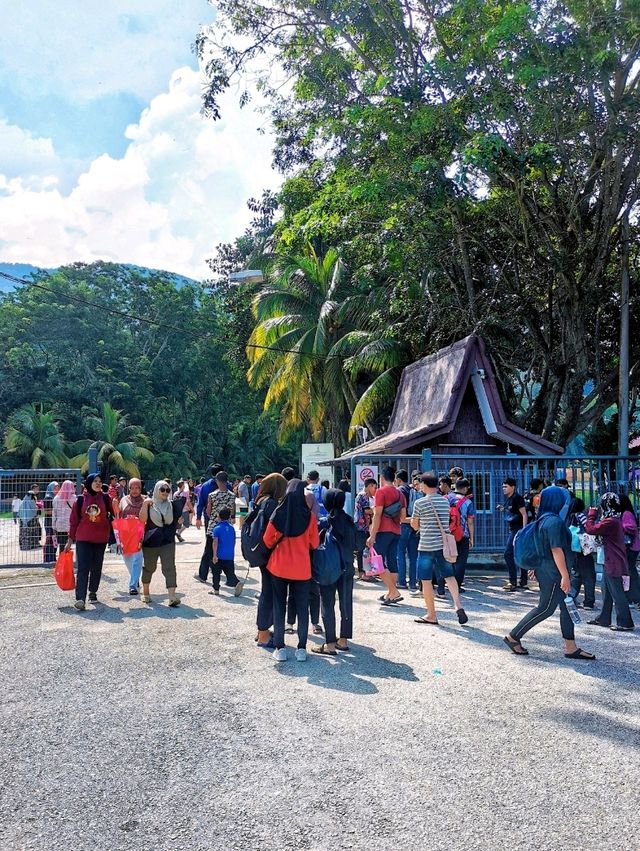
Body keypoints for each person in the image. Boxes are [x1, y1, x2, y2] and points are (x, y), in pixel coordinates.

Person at [504, 486, 595, 659]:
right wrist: (565, 576)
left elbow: (539, 546)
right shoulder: (554, 522)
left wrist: (535, 566)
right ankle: (513, 636)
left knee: (567, 605)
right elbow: (556, 550)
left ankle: (571, 646)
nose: (566, 502)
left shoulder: (542, 519)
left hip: (547, 569)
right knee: (545, 608)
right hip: (554, 573)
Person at [263, 479, 320, 662]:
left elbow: (267, 540)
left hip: (279, 567)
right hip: (302, 569)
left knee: (279, 606)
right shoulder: (309, 517)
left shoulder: (278, 513)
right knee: (303, 608)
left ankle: (280, 648)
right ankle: (301, 649)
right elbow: (314, 543)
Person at [411, 473, 468, 626]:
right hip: (443, 546)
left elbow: (415, 525)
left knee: (426, 580)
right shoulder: (445, 502)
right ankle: (458, 605)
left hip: (426, 545)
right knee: (449, 576)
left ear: (424, 485)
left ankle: (431, 615)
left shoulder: (420, 503)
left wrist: (419, 525)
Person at [313, 489, 357, 655]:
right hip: (347, 567)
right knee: (346, 603)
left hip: (329, 568)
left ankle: (330, 644)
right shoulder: (349, 521)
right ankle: (343, 640)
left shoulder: (324, 522)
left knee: (327, 604)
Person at [585, 493, 634, 631]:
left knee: (617, 593)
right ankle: (604, 618)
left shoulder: (610, 521)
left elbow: (591, 529)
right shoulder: (615, 519)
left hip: (614, 561)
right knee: (606, 591)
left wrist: (591, 515)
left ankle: (625, 622)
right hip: (612, 560)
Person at [67, 474, 113, 611]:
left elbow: (115, 514)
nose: (98, 483)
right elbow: (74, 521)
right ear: (89, 483)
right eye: (95, 481)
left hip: (100, 539)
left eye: (100, 481)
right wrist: (70, 540)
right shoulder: (80, 500)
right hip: (83, 538)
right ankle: (80, 598)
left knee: (96, 567)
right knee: (83, 568)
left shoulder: (106, 498)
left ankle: (93, 591)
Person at [254, 473, 288, 649]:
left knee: (266, 590)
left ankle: (261, 632)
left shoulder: (260, 501)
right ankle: (263, 636)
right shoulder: (272, 504)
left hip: (260, 552)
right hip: (269, 554)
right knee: (268, 592)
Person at [139, 481, 185, 606]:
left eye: (167, 490)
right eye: (162, 489)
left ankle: (172, 596)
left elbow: (176, 521)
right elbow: (142, 520)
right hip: (151, 542)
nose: (165, 492)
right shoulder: (149, 504)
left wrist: (179, 521)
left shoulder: (172, 505)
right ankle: (146, 592)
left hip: (168, 541)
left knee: (169, 568)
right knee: (149, 568)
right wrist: (144, 505)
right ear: (156, 490)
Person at [366, 466, 406, 605]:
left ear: (382, 478)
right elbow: (403, 517)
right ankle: (390, 594)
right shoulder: (400, 494)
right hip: (397, 531)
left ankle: (393, 591)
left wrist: (372, 535)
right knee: (392, 561)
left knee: (378, 562)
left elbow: (377, 515)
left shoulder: (381, 492)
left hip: (383, 530)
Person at [195, 471, 236, 583]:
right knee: (224, 550)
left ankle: (203, 575)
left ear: (217, 481)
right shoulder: (232, 496)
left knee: (208, 551)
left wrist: (214, 517)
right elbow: (232, 511)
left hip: (214, 525)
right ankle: (230, 577)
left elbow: (208, 511)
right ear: (227, 481)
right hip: (227, 526)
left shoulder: (212, 495)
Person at [437, 477, 475, 594]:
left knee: (444, 559)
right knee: (460, 561)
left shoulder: (445, 498)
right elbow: (470, 522)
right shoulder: (468, 502)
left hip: (447, 535)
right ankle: (456, 586)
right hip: (462, 535)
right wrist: (471, 538)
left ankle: (441, 585)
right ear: (465, 488)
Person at [499, 478, 529, 591]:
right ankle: (523, 581)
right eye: (503, 487)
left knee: (508, 553)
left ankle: (513, 581)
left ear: (513, 487)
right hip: (513, 528)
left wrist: (524, 530)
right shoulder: (509, 499)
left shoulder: (517, 498)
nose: (504, 489)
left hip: (518, 529)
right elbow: (511, 512)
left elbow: (524, 514)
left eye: (506, 486)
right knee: (519, 554)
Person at [208, 507, 243, 596]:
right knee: (230, 573)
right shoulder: (232, 528)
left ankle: (216, 590)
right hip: (229, 555)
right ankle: (236, 583)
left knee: (216, 573)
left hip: (219, 555)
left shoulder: (217, 528)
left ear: (219, 517)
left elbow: (215, 543)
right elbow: (234, 541)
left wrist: (214, 555)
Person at [568, 498, 596, 610]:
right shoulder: (581, 516)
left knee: (577, 575)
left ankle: (571, 597)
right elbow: (589, 527)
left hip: (573, 549)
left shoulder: (568, 517)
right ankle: (589, 602)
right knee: (589, 576)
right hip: (583, 549)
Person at [119, 477, 145, 594]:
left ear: (141, 488)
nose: (134, 490)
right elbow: (119, 514)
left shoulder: (145, 500)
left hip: (139, 532)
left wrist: (138, 520)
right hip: (125, 532)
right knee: (127, 557)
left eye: (137, 488)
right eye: (132, 488)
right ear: (129, 488)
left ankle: (133, 585)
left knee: (137, 558)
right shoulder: (123, 500)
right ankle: (134, 577)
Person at [396, 470, 419, 591]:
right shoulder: (413, 490)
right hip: (414, 524)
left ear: (398, 479)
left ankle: (401, 581)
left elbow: (400, 511)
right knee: (413, 555)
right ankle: (413, 582)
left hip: (403, 524)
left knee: (400, 553)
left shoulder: (400, 491)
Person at [619, 494, 640, 606]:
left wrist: (618, 526)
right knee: (630, 572)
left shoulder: (626, 513)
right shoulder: (626, 513)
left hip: (631, 547)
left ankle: (634, 597)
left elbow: (630, 527)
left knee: (630, 573)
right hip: (632, 547)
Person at [354, 477, 377, 579]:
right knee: (361, 550)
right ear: (369, 486)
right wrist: (377, 510)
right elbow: (367, 511)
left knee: (363, 549)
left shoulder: (362, 495)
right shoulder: (364, 496)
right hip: (361, 526)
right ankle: (362, 572)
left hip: (363, 526)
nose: (375, 490)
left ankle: (364, 572)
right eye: (374, 487)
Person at [52, 480, 77, 556]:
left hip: (60, 525)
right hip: (71, 525)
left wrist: (54, 526)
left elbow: (54, 513)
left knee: (62, 545)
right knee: (71, 544)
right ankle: (70, 562)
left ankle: (62, 561)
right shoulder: (74, 498)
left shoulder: (56, 498)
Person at [196, 464, 223, 529]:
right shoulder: (227, 485)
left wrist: (198, 518)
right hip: (224, 519)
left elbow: (200, 503)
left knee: (210, 538)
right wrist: (233, 516)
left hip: (209, 518)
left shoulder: (205, 486)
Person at [18, 485, 42, 550]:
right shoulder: (30, 501)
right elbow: (34, 509)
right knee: (30, 531)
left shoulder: (24, 502)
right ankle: (30, 545)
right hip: (31, 519)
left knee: (31, 531)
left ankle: (31, 544)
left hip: (27, 519)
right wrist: (37, 507)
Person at [42, 481, 60, 564]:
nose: (57, 490)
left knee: (54, 540)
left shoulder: (57, 498)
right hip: (49, 522)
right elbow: (46, 512)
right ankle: (48, 559)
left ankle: (52, 557)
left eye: (58, 488)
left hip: (55, 522)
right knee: (50, 540)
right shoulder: (48, 498)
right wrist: (57, 511)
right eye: (55, 488)